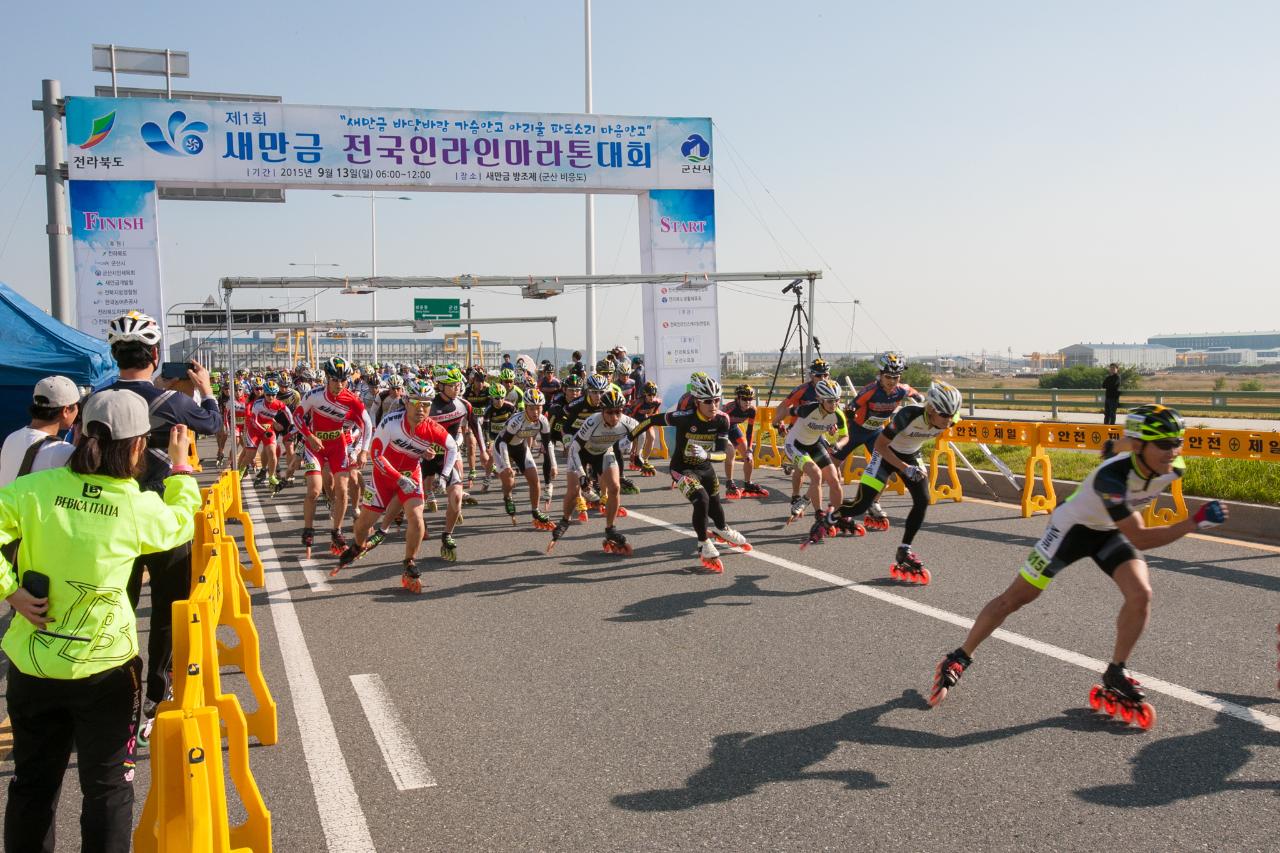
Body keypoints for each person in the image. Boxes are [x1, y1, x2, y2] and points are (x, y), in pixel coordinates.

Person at [927, 404, 1227, 726]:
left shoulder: (1173, 465)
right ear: (1142, 445)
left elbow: (1125, 447)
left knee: (1141, 594)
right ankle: (959, 657)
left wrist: (1116, 444)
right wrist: (1192, 523)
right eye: (1164, 444)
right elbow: (1139, 538)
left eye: (1177, 442)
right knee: (1014, 599)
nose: (1173, 452)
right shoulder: (1111, 478)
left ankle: (1116, 671)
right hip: (1070, 529)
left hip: (1110, 530)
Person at [0, 390, 200, 853]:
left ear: (77, 433)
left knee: (32, 786)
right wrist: (182, 469)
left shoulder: (34, 491)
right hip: (107, 669)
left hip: (34, 663)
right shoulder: (136, 507)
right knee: (107, 789)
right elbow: (182, 521)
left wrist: (10, 589)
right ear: (136, 448)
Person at [104, 310, 221, 742]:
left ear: (115, 355)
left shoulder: (99, 399)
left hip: (111, 517)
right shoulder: (171, 402)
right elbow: (211, 423)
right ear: (155, 354)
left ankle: (118, 689)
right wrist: (205, 389)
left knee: (118, 603)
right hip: (163, 516)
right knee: (169, 607)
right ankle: (156, 692)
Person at [834, 381, 963, 581]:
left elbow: (951, 419)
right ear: (931, 409)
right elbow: (880, 445)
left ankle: (904, 550)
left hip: (911, 455)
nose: (948, 421)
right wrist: (904, 468)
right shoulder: (908, 416)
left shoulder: (951, 418)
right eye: (944, 415)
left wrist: (910, 466)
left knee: (922, 500)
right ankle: (833, 515)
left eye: (952, 415)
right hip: (886, 454)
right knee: (860, 507)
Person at [629, 375, 750, 573]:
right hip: (681, 468)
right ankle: (703, 543)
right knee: (701, 499)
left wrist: (708, 454)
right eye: (708, 401)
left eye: (717, 400)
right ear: (697, 402)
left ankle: (722, 530)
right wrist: (629, 436)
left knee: (715, 505)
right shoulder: (684, 417)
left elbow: (723, 454)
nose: (713, 405)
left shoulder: (722, 419)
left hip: (705, 467)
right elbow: (650, 420)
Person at [830, 352, 924, 530]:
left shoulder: (901, 389)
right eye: (888, 377)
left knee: (884, 470)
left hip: (876, 433)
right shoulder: (871, 390)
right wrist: (850, 412)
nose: (891, 381)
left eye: (895, 377)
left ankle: (873, 503)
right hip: (856, 431)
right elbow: (851, 406)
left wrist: (919, 398)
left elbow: (911, 390)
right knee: (831, 464)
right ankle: (820, 499)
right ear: (880, 375)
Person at [0, 376, 80, 488]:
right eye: (77, 406)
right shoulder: (60, 451)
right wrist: (78, 442)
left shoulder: (11, 437)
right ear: (65, 410)